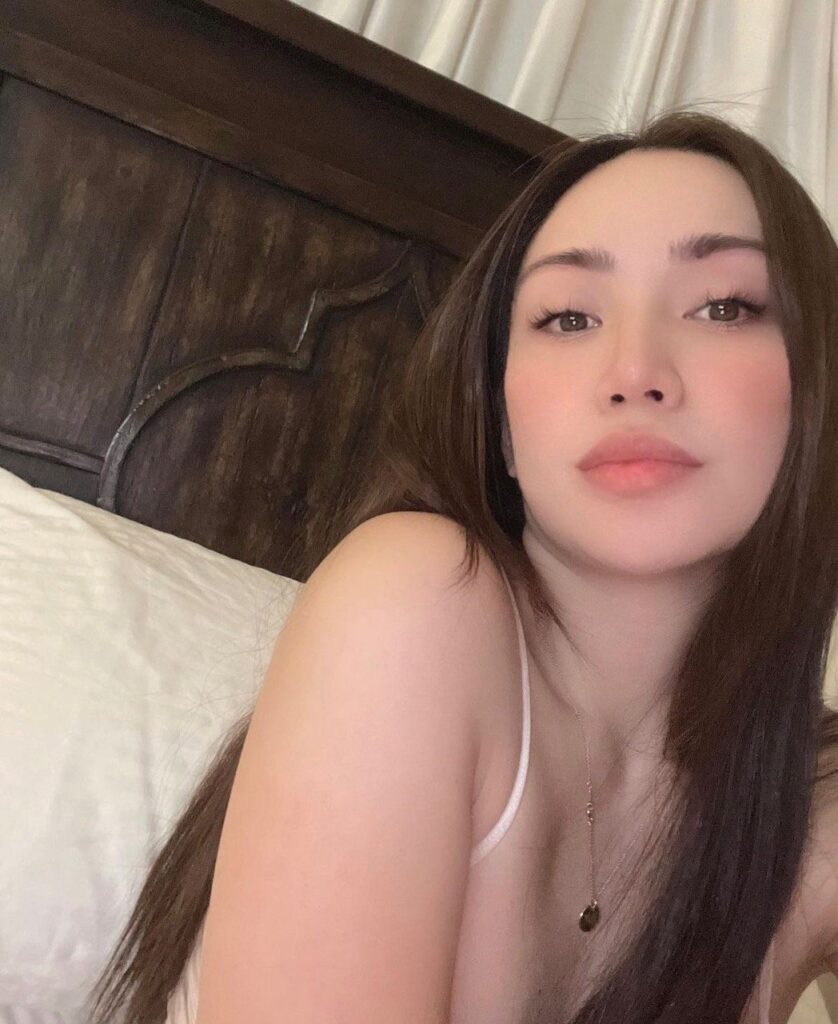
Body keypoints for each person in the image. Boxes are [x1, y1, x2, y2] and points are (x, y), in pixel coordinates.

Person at [88, 108, 838, 1024]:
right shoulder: (418, 599)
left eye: (724, 306)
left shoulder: (802, 793)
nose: (636, 371)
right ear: (503, 426)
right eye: (568, 317)